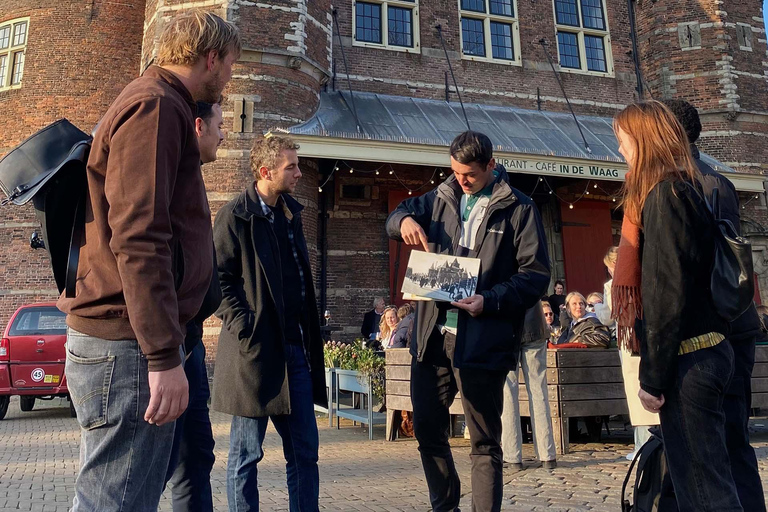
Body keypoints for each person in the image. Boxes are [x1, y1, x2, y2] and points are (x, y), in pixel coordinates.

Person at [56, 11, 240, 511]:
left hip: (129, 346)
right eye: (230, 67)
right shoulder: (156, 107)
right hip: (128, 349)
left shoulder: (159, 103)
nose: (229, 80)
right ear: (211, 58)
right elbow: (139, 236)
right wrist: (162, 356)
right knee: (116, 503)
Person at [386, 130, 550, 512]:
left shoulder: (520, 208)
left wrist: (489, 301)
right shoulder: (441, 196)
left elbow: (536, 275)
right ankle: (446, 506)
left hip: (483, 339)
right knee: (427, 429)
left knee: (484, 443)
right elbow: (395, 216)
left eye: (469, 175)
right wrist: (404, 221)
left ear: (491, 166)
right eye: (455, 172)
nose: (461, 181)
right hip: (431, 337)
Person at [613, 100, 741, 511]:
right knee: (704, 485)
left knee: (704, 492)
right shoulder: (678, 189)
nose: (620, 152)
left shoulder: (665, 195)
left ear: (644, 142)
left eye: (624, 142)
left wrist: (653, 378)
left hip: (691, 358)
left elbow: (667, 293)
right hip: (703, 352)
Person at [663, 98, 766, 512]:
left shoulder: (689, 184)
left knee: (715, 448)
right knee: (730, 443)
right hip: (734, 326)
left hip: (713, 330)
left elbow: (697, 266)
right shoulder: (714, 180)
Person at [213, 135, 327, 511]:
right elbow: (218, 280)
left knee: (305, 453)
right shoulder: (235, 215)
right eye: (290, 166)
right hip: (256, 356)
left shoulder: (290, 214)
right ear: (265, 172)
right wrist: (248, 329)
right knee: (246, 456)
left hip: (294, 352)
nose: (298, 172)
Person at [163, 100, 225, 512]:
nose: (225, 133)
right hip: (172, 346)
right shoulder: (168, 173)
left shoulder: (190, 177)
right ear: (199, 126)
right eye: (221, 124)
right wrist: (164, 356)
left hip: (192, 341)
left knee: (197, 455)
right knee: (152, 466)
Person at [595, 246, 658, 461]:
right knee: (651, 386)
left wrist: (595, 308)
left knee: (635, 391)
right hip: (648, 336)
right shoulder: (643, 277)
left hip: (628, 338)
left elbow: (607, 317)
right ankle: (656, 443)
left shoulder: (614, 285)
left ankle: (643, 446)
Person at [501, 302, 557, 471]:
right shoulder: (535, 273)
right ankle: (547, 454)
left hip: (506, 327)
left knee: (508, 392)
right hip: (534, 324)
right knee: (539, 391)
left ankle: (512, 456)